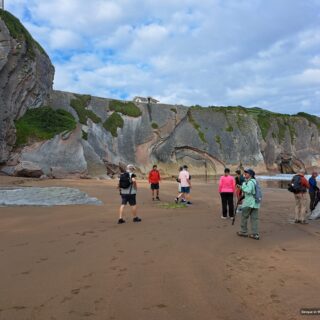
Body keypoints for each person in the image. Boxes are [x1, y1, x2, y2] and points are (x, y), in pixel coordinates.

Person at [237, 168, 260, 240]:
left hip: (248, 203)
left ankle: (243, 232)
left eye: (246, 173)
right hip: (255, 203)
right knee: (254, 219)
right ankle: (255, 234)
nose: (245, 174)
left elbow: (248, 190)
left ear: (250, 175)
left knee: (244, 217)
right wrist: (241, 187)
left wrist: (243, 185)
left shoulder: (249, 182)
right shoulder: (255, 181)